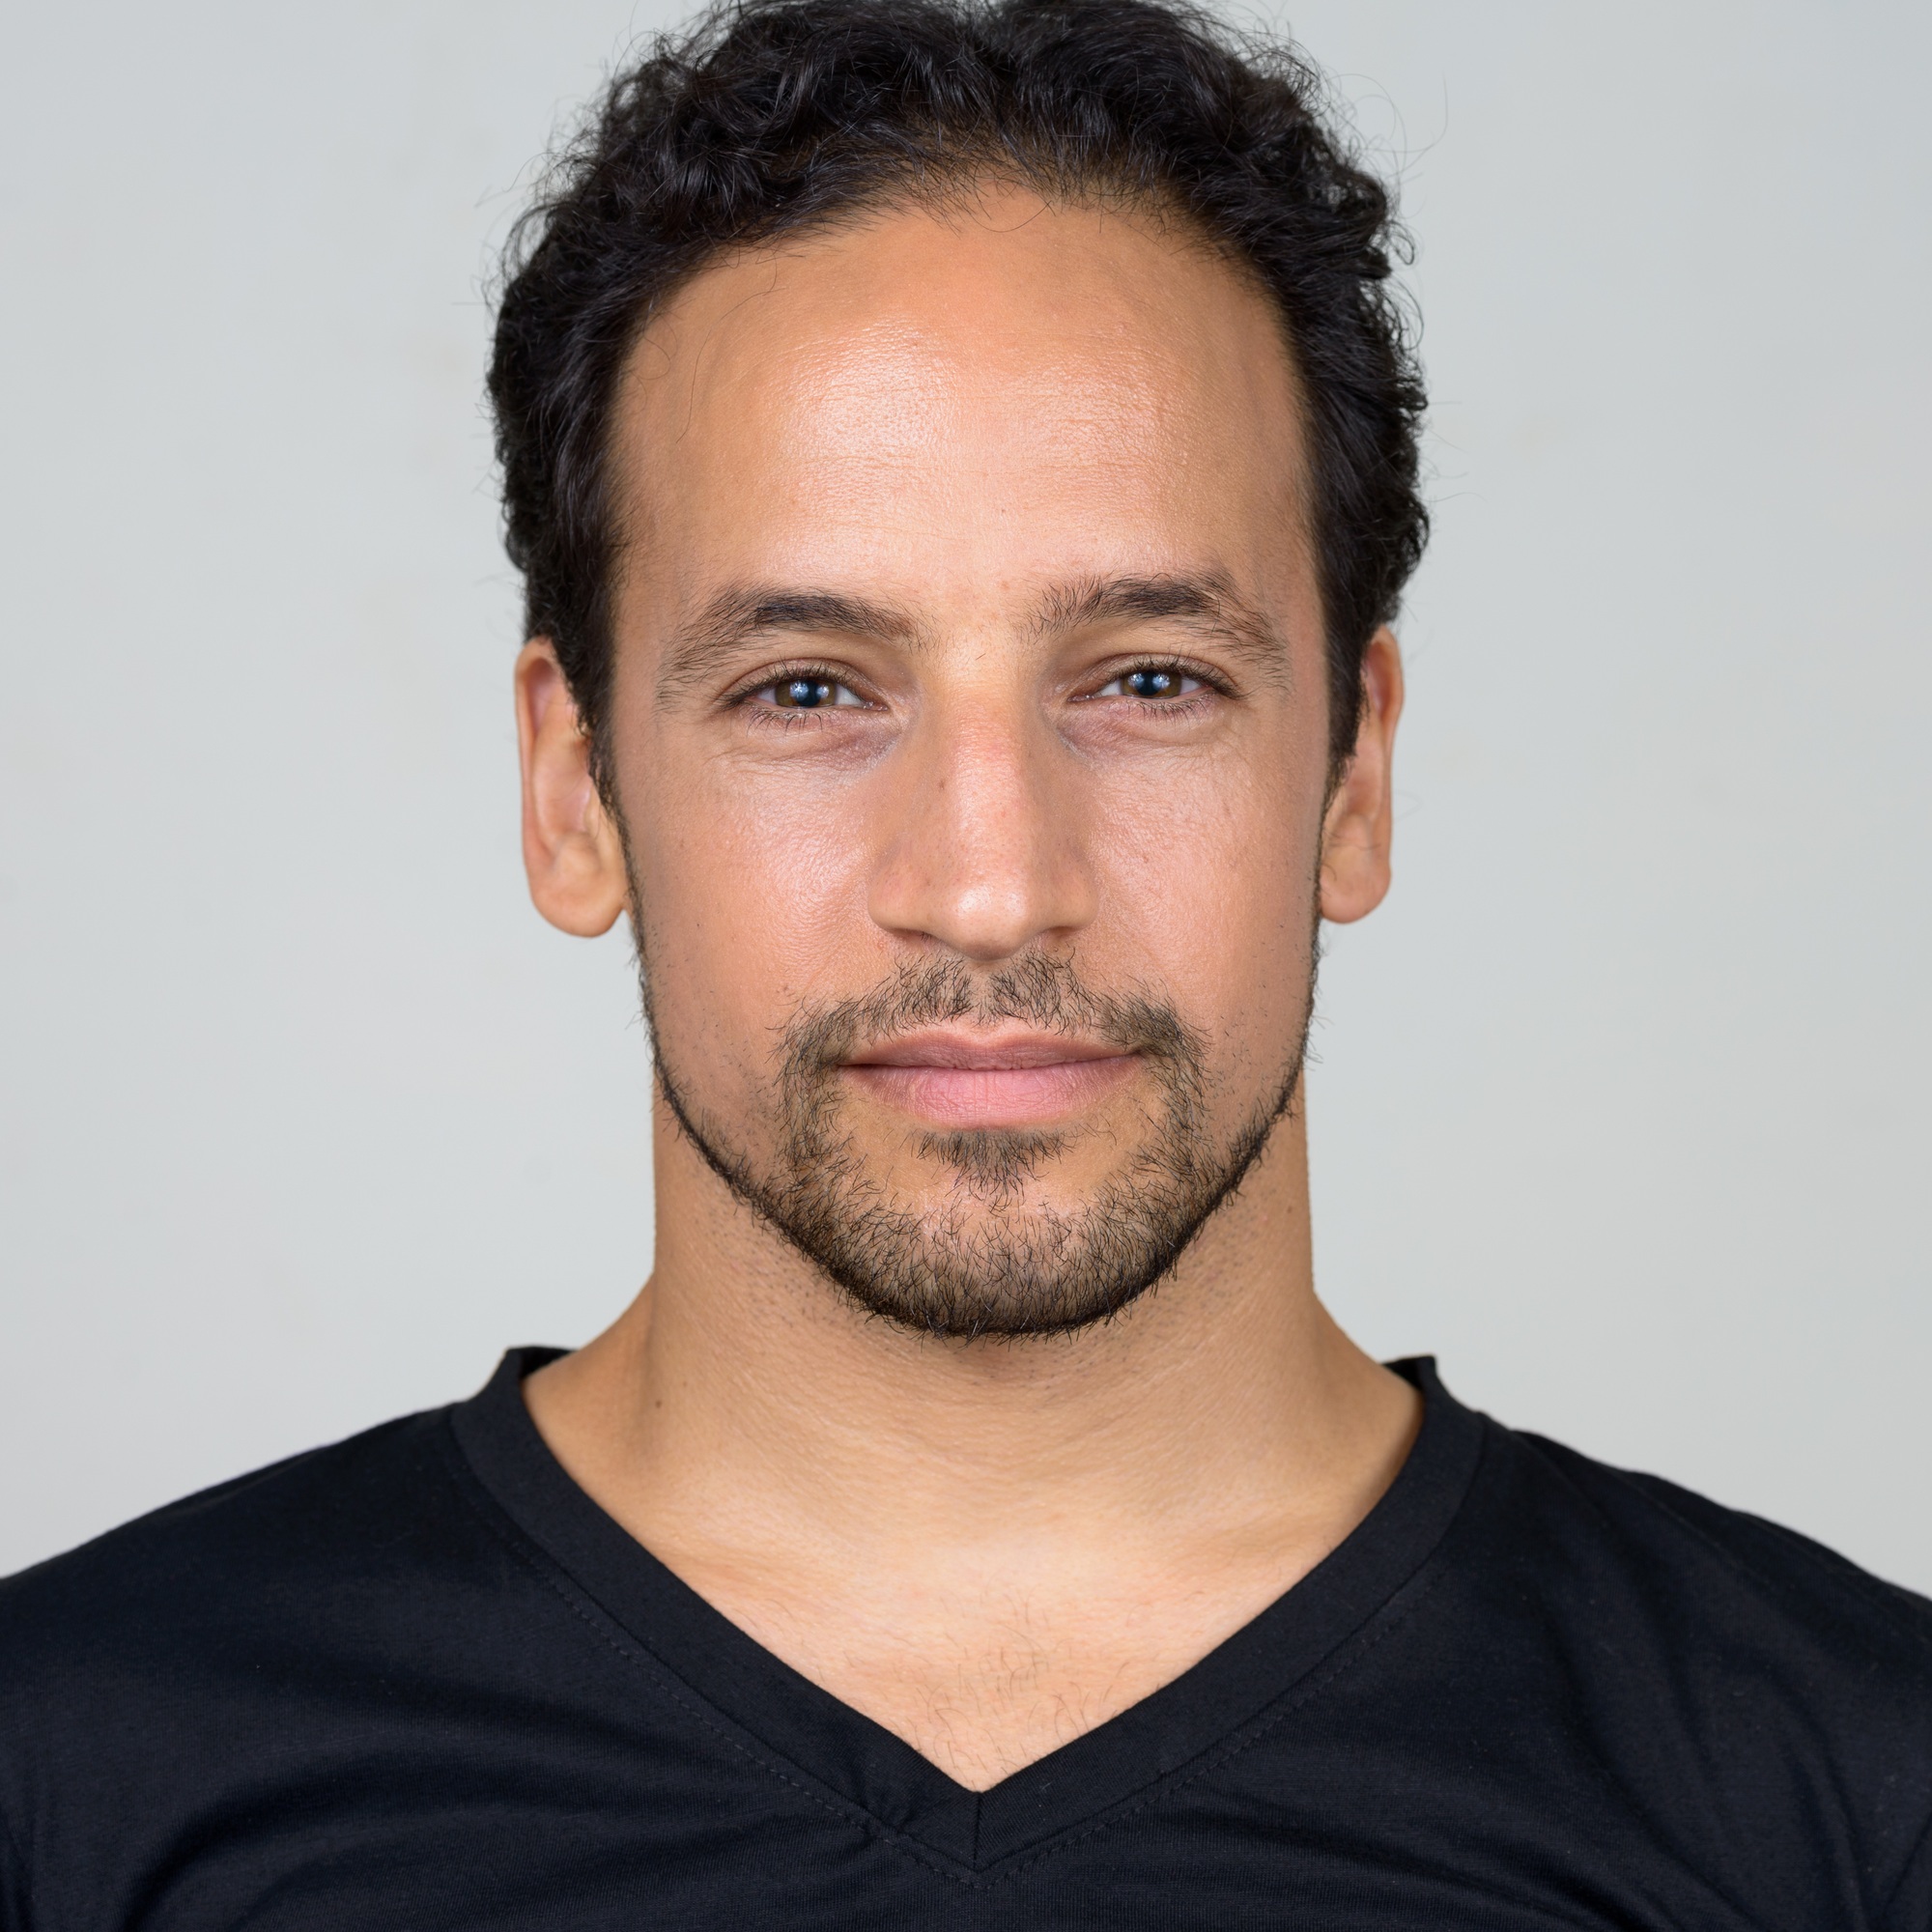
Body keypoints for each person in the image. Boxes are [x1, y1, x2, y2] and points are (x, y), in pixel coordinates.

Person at [4, 0, 1928, 1923]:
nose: (992, 887)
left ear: (1355, 776)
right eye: (808, 689)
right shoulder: (77, 1776)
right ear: (573, 791)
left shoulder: (1850, 1793)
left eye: (1150, 681)